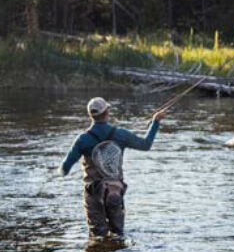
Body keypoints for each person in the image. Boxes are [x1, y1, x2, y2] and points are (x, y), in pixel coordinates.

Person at [59, 97, 165, 238]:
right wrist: (155, 122)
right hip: (114, 190)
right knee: (118, 234)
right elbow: (146, 144)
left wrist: (60, 171)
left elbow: (65, 168)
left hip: (93, 191)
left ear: (91, 115)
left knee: (97, 236)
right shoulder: (121, 134)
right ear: (107, 112)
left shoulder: (82, 139)